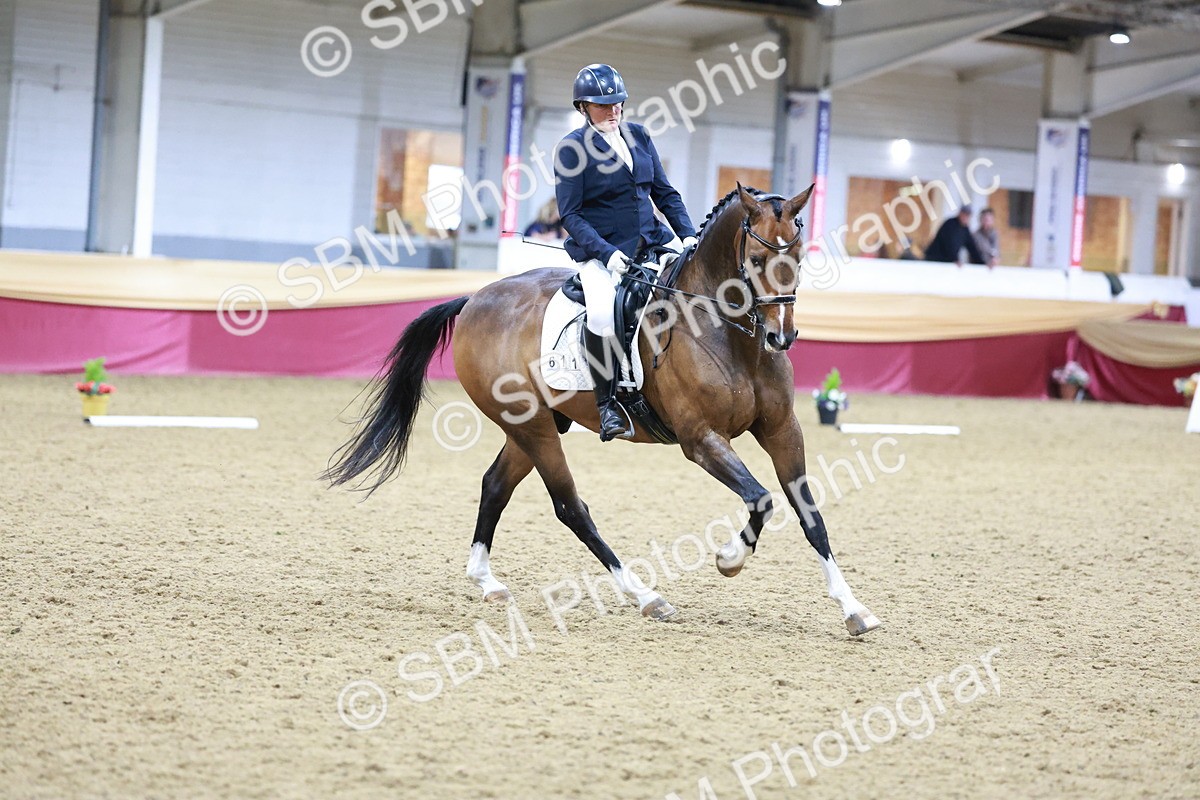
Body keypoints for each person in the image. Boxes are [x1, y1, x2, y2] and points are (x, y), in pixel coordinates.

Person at [554, 63, 697, 441]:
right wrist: (605, 254)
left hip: (652, 239)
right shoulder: (572, 149)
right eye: (603, 106)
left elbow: (664, 193)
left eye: (618, 103)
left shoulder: (639, 135)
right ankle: (607, 405)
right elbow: (571, 214)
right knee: (602, 313)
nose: (613, 111)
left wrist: (687, 234)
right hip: (603, 251)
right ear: (582, 107)